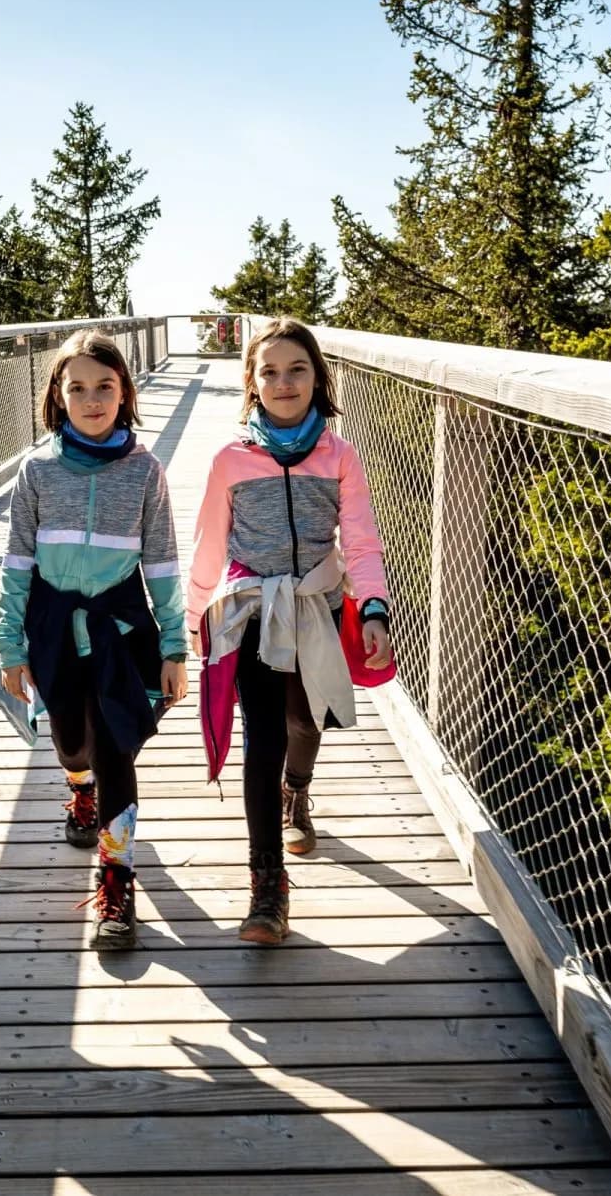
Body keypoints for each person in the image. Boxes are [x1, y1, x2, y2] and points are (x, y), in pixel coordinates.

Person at [187, 317, 392, 945]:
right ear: (251, 383)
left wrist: (376, 605)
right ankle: (267, 886)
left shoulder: (339, 455)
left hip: (319, 606)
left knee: (307, 722)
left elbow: (358, 538)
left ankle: (297, 793)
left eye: (296, 369)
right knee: (264, 735)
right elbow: (208, 544)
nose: (283, 382)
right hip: (252, 610)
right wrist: (192, 619)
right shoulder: (230, 460)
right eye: (269, 371)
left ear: (317, 378)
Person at [0, 330, 188, 949]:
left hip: (121, 631)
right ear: (58, 394)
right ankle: (80, 792)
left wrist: (174, 648)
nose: (92, 398)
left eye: (105, 385)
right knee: (71, 741)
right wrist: (9, 646)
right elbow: (17, 561)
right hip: (53, 627)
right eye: (77, 387)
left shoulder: (145, 472)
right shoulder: (38, 470)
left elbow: (161, 562)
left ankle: (116, 878)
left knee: (115, 751)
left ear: (124, 391)